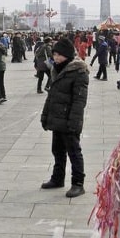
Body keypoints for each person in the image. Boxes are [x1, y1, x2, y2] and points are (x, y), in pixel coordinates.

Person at [40, 38, 88, 198]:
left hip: (69, 119)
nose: (56, 57)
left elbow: (79, 100)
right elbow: (51, 96)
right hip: (57, 118)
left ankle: (78, 184)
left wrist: (74, 122)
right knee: (57, 151)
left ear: (67, 55)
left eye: (59, 55)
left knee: (74, 152)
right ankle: (57, 178)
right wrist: (45, 115)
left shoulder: (79, 71)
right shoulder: (57, 69)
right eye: (54, 54)